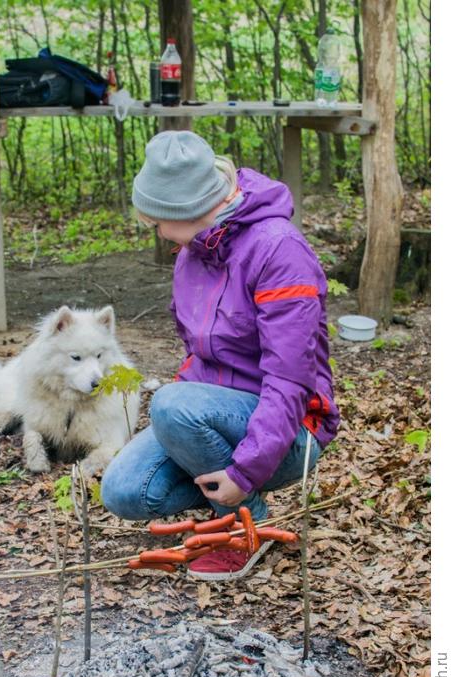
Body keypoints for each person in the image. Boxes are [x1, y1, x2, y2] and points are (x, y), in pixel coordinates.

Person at [101, 130, 339, 580]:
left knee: (172, 404)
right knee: (123, 492)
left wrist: (245, 473)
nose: (157, 232)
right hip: (210, 415)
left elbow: (290, 381)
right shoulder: (194, 252)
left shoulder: (278, 250)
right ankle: (219, 493)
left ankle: (245, 526)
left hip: (290, 431)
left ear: (186, 210)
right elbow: (199, 356)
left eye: (157, 222)